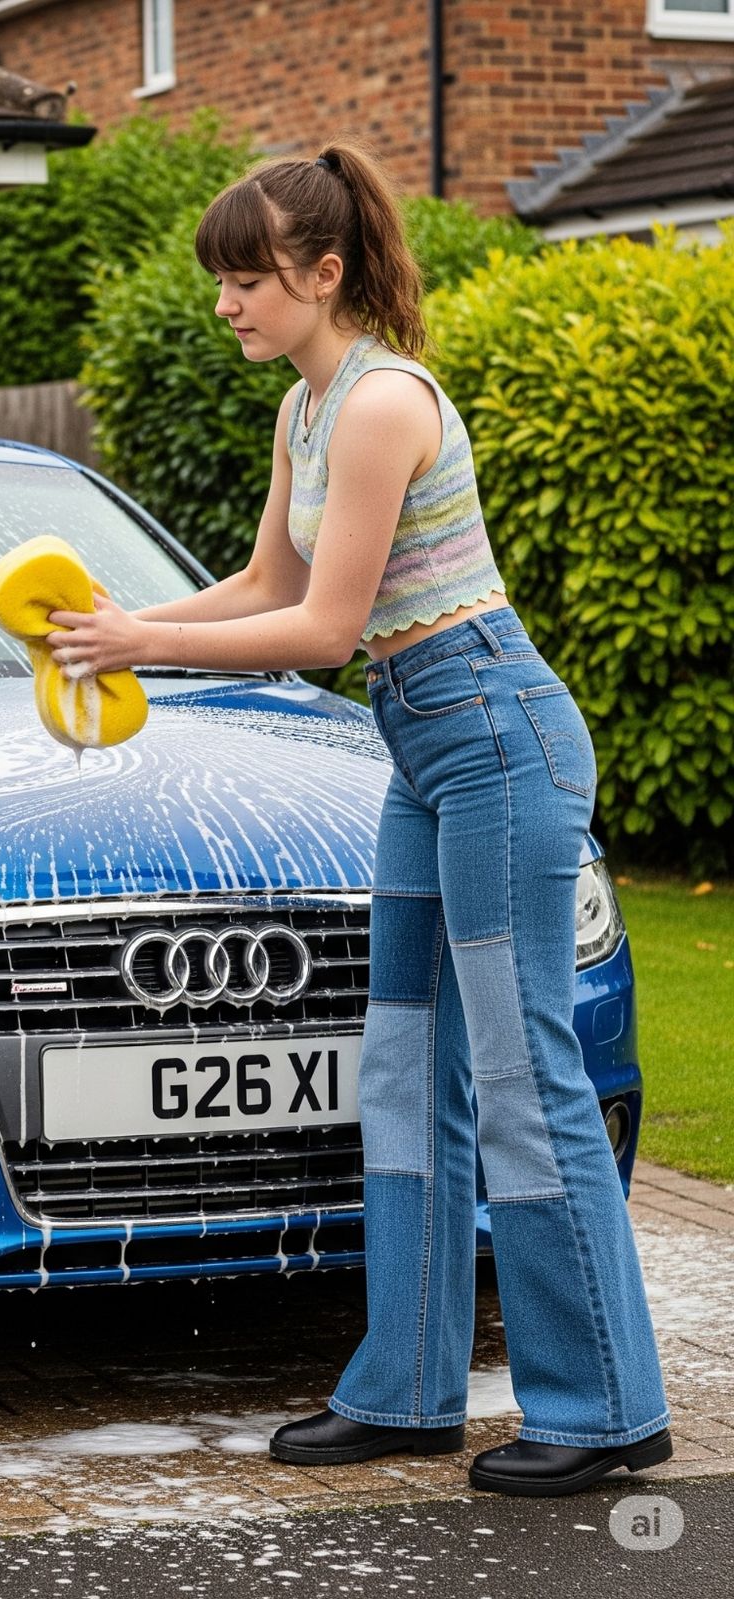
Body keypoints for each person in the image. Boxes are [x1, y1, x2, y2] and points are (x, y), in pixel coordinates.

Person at [43, 135, 672, 1499]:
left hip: (497, 737)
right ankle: (405, 1390)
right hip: (424, 742)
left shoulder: (387, 403)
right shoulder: (305, 413)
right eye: (220, 281)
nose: (226, 305)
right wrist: (118, 624)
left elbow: (324, 630)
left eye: (247, 279)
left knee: (520, 1073)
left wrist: (139, 644)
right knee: (403, 1064)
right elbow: (267, 574)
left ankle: (609, 1406)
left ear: (324, 273)